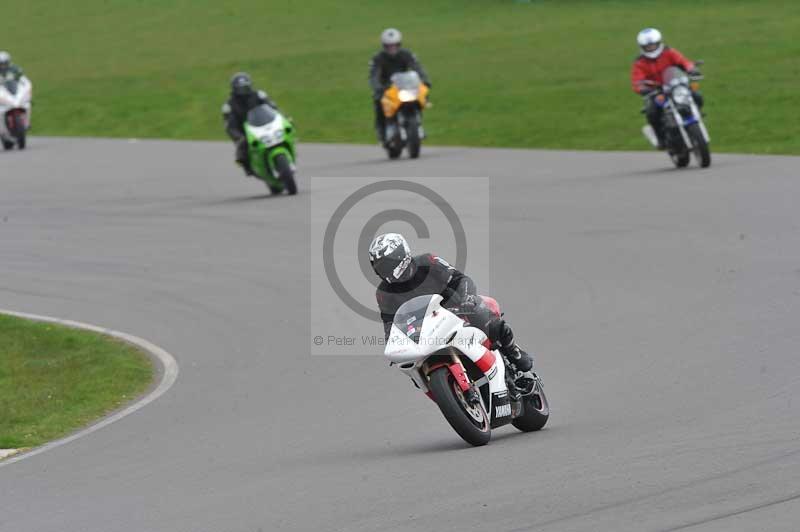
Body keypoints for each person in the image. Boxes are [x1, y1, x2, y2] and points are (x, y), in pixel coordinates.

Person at [368, 233, 535, 388]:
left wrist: (467, 298)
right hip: (426, 329)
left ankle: (514, 352)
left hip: (456, 309)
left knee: (485, 317)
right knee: (413, 371)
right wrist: (394, 342)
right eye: (378, 266)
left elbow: (460, 279)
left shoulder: (428, 261)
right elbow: (390, 322)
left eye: (386, 264)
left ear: (400, 256)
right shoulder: (384, 293)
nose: (383, 270)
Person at [630, 28, 702, 148]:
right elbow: (637, 81)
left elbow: (683, 62)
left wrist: (691, 69)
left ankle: (696, 114)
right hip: (656, 91)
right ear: (642, 47)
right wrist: (642, 88)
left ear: (659, 43)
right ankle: (660, 138)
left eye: (653, 45)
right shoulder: (640, 62)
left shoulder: (669, 52)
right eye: (648, 46)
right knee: (651, 111)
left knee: (696, 95)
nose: (651, 48)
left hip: (675, 85)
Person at [368, 29, 431, 144]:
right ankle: (381, 131)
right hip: (386, 89)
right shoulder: (378, 58)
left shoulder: (406, 54)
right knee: (378, 102)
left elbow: (417, 67)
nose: (392, 48)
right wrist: (377, 87)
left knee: (420, 98)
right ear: (384, 46)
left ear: (399, 44)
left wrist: (425, 80)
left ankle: (418, 125)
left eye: (394, 45)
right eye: (389, 46)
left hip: (404, 86)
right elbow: (374, 75)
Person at [221, 72, 280, 175]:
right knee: (243, 144)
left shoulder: (258, 95)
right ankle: (247, 166)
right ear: (234, 89)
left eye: (245, 87)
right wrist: (239, 137)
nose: (243, 91)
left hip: (262, 123)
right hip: (244, 132)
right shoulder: (229, 105)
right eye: (240, 89)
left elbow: (272, 107)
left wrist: (278, 115)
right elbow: (230, 126)